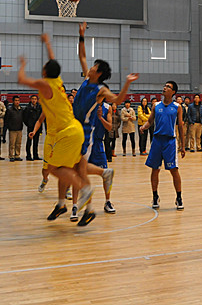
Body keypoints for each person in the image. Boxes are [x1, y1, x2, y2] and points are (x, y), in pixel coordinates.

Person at [17, 41, 95, 225]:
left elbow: (22, 80)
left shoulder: (45, 84)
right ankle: (62, 204)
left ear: (45, 71)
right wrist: (47, 43)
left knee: (53, 168)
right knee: (63, 168)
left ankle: (84, 190)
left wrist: (22, 65)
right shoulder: (57, 80)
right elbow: (53, 60)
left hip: (68, 133)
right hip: (72, 130)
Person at [67, 24, 137, 223]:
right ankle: (103, 175)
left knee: (77, 167)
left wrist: (127, 83)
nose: (89, 67)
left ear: (98, 73)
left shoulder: (101, 90)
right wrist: (81, 35)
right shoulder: (86, 79)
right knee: (75, 167)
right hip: (74, 128)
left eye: (93, 67)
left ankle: (86, 199)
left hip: (85, 132)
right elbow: (82, 56)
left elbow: (118, 100)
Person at [140, 80, 185, 210]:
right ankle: (155, 196)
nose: (165, 88)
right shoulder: (156, 106)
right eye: (164, 86)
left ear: (173, 92)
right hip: (157, 141)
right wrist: (144, 127)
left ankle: (179, 197)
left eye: (168, 87)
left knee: (174, 170)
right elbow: (150, 121)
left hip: (170, 142)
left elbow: (180, 126)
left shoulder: (177, 107)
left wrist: (182, 146)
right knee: (155, 169)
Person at [23, 94, 43, 161]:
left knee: (36, 142)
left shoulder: (39, 108)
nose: (34, 100)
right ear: (30, 100)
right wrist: (29, 124)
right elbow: (25, 118)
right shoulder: (27, 108)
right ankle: (28, 156)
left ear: (37, 100)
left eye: (35, 99)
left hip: (37, 128)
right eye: (33, 99)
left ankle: (35, 155)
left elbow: (41, 119)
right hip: (30, 128)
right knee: (29, 142)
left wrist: (40, 128)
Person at [5, 96, 24, 161]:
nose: (17, 102)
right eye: (16, 100)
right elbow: (6, 119)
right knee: (12, 144)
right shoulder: (9, 110)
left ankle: (17, 155)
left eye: (18, 100)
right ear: (13, 101)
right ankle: (11, 156)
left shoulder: (21, 109)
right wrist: (9, 127)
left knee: (18, 144)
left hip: (19, 129)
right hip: (12, 129)